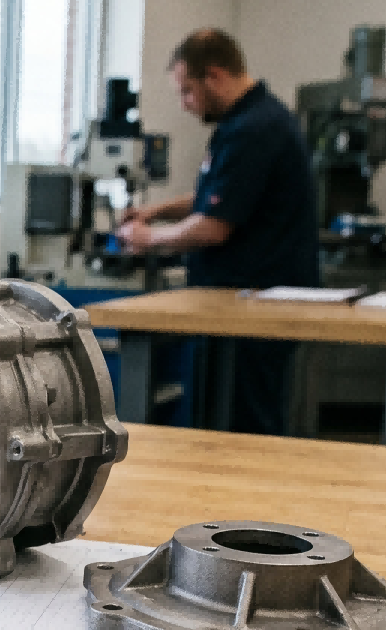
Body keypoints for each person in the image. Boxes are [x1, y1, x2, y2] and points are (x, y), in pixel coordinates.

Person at [117, 28, 319, 435]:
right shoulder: (250, 121)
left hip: (252, 311)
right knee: (223, 420)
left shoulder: (254, 130)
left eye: (187, 91)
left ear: (214, 76)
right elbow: (214, 197)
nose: (185, 105)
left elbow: (213, 228)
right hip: (236, 307)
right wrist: (155, 211)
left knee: (247, 426)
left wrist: (147, 239)